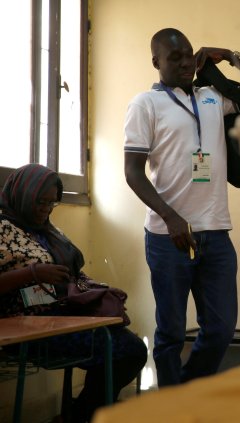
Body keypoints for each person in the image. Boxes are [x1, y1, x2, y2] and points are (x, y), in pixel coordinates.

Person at [123, 28, 240, 387]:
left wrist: (231, 56)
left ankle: (187, 390)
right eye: (174, 57)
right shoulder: (145, 105)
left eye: (188, 55)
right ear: (156, 62)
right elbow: (133, 173)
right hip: (169, 237)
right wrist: (170, 216)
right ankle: (170, 408)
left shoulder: (214, 97)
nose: (184, 63)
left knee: (221, 329)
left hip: (215, 231)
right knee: (171, 334)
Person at [0, 163, 147, 423]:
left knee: (129, 348)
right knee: (126, 350)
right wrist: (31, 274)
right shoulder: (3, 228)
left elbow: (71, 272)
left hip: (64, 315)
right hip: (26, 324)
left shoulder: (49, 231)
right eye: (40, 202)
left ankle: (80, 415)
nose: (45, 209)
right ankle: (81, 416)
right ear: (23, 194)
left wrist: (97, 290)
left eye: (52, 203)